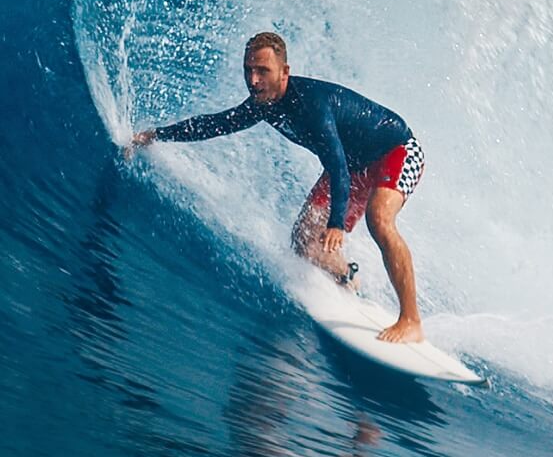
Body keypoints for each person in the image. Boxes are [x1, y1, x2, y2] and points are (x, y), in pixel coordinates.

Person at [127, 32, 425, 343]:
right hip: (354, 164)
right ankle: (347, 277)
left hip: (396, 150)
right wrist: (156, 135)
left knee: (379, 219)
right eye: (248, 70)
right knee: (304, 241)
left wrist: (336, 223)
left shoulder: (312, 106)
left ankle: (411, 320)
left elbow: (336, 165)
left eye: (263, 71)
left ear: (285, 72)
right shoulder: (262, 105)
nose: (253, 80)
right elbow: (215, 124)